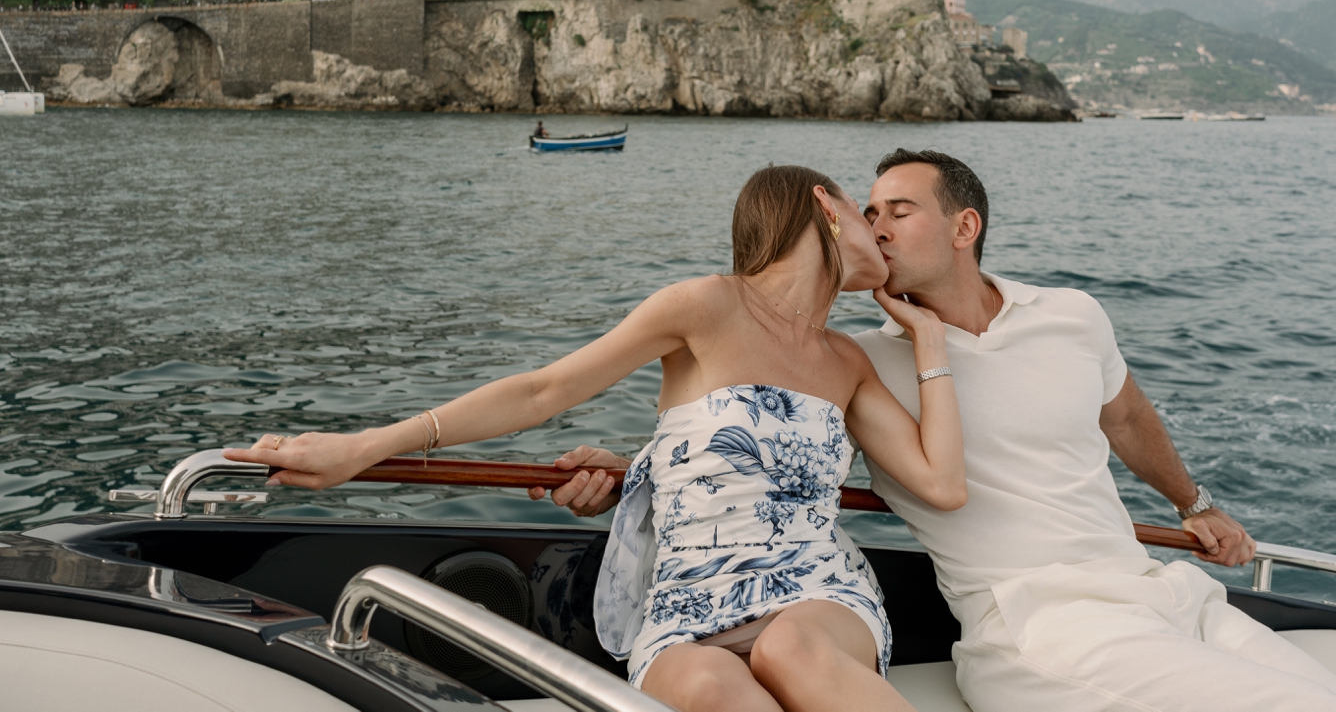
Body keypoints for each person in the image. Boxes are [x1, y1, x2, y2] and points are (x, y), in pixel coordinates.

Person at [542, 150, 1336, 712]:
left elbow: (1125, 416)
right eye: (868, 212)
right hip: (1037, 620)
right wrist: (638, 469)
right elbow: (752, 432)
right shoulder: (860, 359)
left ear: (964, 227)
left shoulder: (1072, 313)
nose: (875, 228)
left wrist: (1196, 499)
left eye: (899, 210)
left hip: (1159, 587)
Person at [225, 165, 968, 712]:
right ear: (821, 205)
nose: (878, 229)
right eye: (860, 207)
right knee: (716, 689)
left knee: (790, 649)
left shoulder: (849, 360)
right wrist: (364, 446)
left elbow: (941, 484)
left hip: (815, 589)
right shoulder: (705, 305)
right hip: (687, 602)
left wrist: (929, 339)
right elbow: (544, 389)